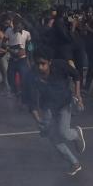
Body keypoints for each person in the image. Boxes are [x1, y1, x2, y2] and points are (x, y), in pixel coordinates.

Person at [26, 47, 85, 176]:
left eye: (43, 63)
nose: (40, 67)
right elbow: (30, 100)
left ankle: (76, 134)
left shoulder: (60, 65)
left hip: (64, 103)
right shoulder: (32, 75)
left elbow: (76, 75)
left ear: (50, 62)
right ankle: (74, 163)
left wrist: (78, 95)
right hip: (47, 107)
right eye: (38, 64)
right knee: (52, 136)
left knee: (63, 133)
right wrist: (38, 120)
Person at [4, 15, 32, 99]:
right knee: (10, 78)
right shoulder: (8, 31)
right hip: (12, 59)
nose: (17, 27)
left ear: (22, 26)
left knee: (24, 79)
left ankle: (24, 97)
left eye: (19, 26)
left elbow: (30, 46)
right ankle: (15, 94)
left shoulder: (27, 33)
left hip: (22, 60)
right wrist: (10, 50)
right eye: (15, 25)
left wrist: (28, 54)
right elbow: (3, 43)